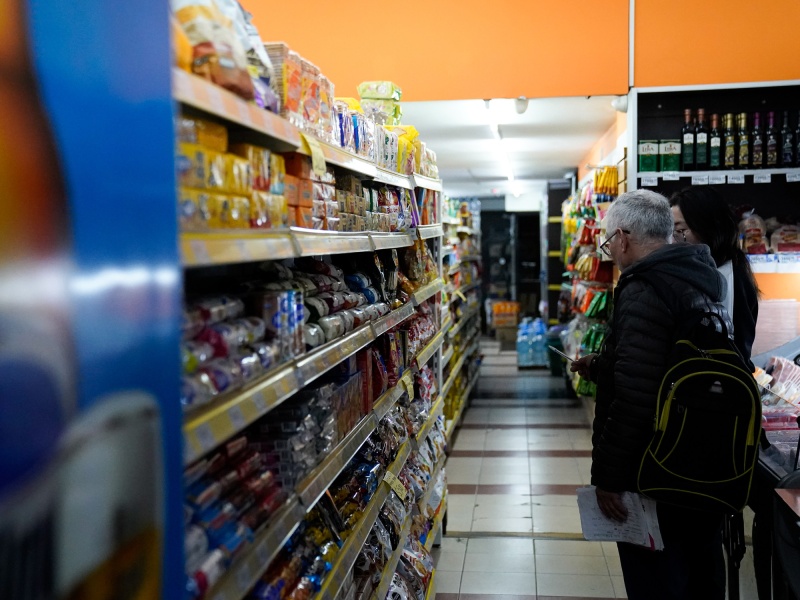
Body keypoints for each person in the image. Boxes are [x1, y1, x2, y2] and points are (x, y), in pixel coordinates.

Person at [571, 189, 730, 600]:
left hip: (657, 470)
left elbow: (635, 397)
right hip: (704, 463)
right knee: (701, 578)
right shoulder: (702, 277)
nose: (610, 252)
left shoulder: (644, 287)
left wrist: (608, 478)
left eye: (608, 242)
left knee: (657, 581)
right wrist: (605, 365)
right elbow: (666, 365)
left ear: (623, 238)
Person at [669, 186, 759, 369]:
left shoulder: (730, 276)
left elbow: (737, 349)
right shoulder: (691, 271)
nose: (673, 240)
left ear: (707, 228)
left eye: (681, 230)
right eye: (670, 231)